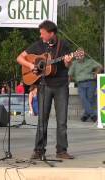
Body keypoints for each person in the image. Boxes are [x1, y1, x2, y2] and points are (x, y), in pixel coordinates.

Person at [17, 20, 74, 159]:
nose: (41, 36)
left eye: (43, 33)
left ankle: (61, 151)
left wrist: (68, 60)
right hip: (44, 85)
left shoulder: (64, 45)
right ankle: (39, 150)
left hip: (61, 85)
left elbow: (67, 65)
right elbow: (19, 58)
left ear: (51, 33)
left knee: (61, 121)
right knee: (42, 119)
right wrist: (31, 66)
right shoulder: (38, 45)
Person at [68, 48, 102, 122]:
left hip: (91, 82)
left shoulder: (90, 61)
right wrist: (67, 83)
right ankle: (93, 115)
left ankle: (86, 115)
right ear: (76, 55)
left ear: (84, 54)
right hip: (80, 84)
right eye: (78, 53)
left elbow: (100, 66)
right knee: (83, 99)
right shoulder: (74, 63)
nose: (80, 55)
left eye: (81, 53)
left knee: (90, 99)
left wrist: (96, 73)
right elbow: (69, 74)